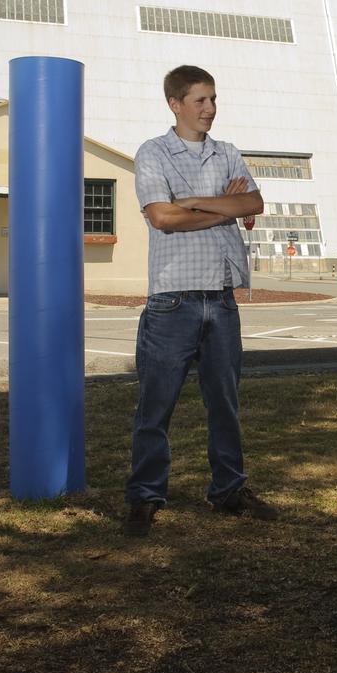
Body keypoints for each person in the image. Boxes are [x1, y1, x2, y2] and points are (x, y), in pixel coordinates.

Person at [125, 64, 278, 537]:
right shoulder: (153, 152)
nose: (210, 108)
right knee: (156, 408)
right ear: (175, 104)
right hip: (172, 300)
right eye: (200, 100)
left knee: (225, 405)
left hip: (222, 298)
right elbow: (162, 218)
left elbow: (252, 204)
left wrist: (192, 201)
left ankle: (229, 490)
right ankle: (144, 497)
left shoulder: (226, 152)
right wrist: (219, 206)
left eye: (213, 99)